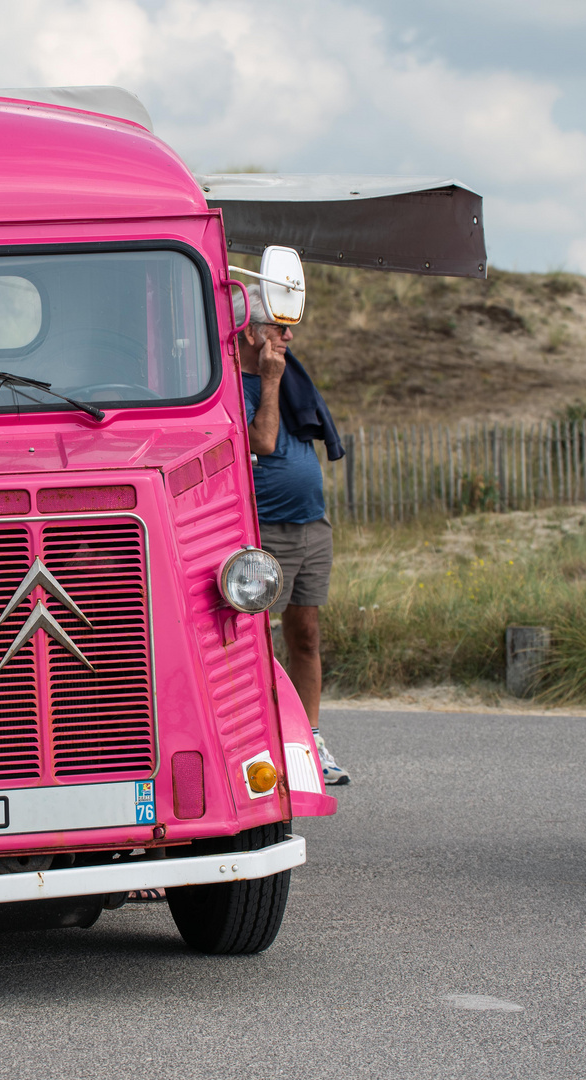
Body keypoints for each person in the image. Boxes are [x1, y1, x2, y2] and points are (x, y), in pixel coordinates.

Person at [236, 288, 349, 785]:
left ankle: (313, 739)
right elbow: (260, 440)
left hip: (310, 523)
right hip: (265, 529)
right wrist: (270, 379)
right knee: (251, 640)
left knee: (306, 636)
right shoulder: (234, 385)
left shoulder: (289, 377)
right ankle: (260, 742)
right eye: (278, 327)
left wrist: (279, 377)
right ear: (249, 332)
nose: (288, 336)